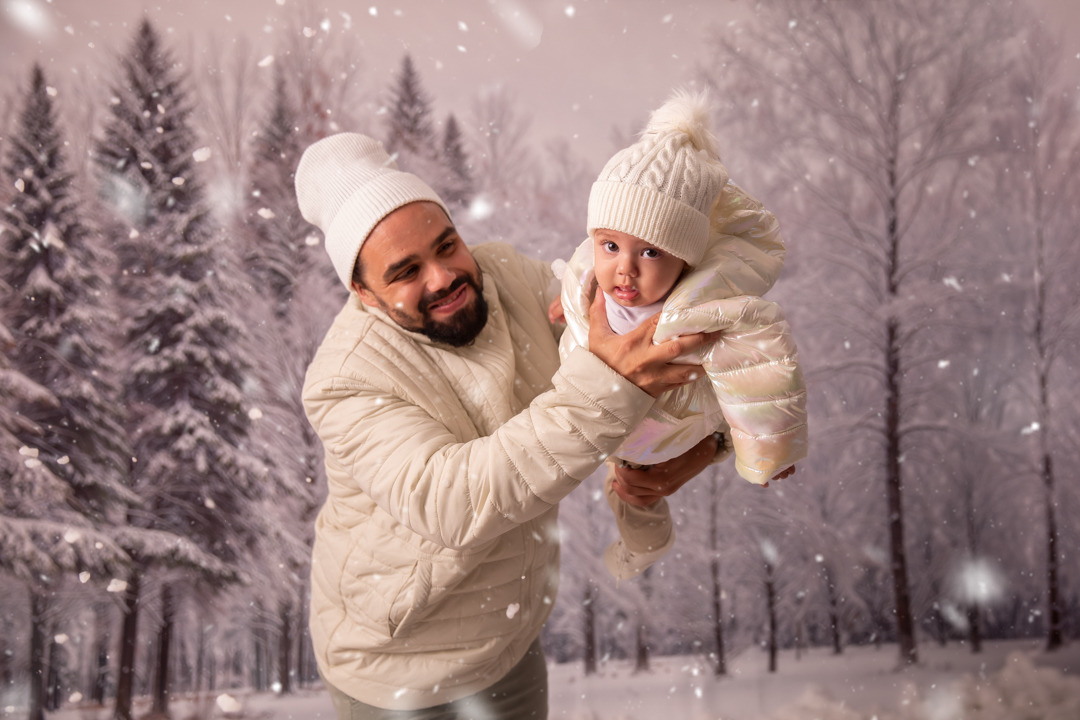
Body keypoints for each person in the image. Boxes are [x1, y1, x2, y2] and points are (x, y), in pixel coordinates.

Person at [294, 132, 723, 718]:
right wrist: (612, 383)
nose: (443, 276)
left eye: (447, 245)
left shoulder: (507, 276)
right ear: (363, 292)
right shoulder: (345, 379)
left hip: (510, 644)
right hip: (399, 675)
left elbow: (641, 327)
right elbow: (454, 500)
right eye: (405, 271)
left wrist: (706, 442)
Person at [553, 90, 808, 579]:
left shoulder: (707, 312)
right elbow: (577, 282)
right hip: (593, 426)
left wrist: (772, 451)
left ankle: (643, 551)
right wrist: (564, 305)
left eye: (650, 253)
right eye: (610, 245)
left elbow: (763, 368)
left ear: (684, 259)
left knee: (636, 508)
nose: (623, 269)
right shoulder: (590, 278)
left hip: (657, 448)